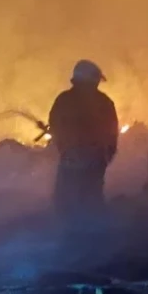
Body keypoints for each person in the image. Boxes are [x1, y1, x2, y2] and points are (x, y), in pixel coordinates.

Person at [48, 59, 119, 225]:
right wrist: (106, 155)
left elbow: (56, 127)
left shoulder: (63, 100)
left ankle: (72, 233)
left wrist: (64, 149)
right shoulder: (104, 102)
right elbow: (112, 133)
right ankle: (94, 234)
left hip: (72, 159)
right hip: (93, 159)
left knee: (66, 199)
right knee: (91, 197)